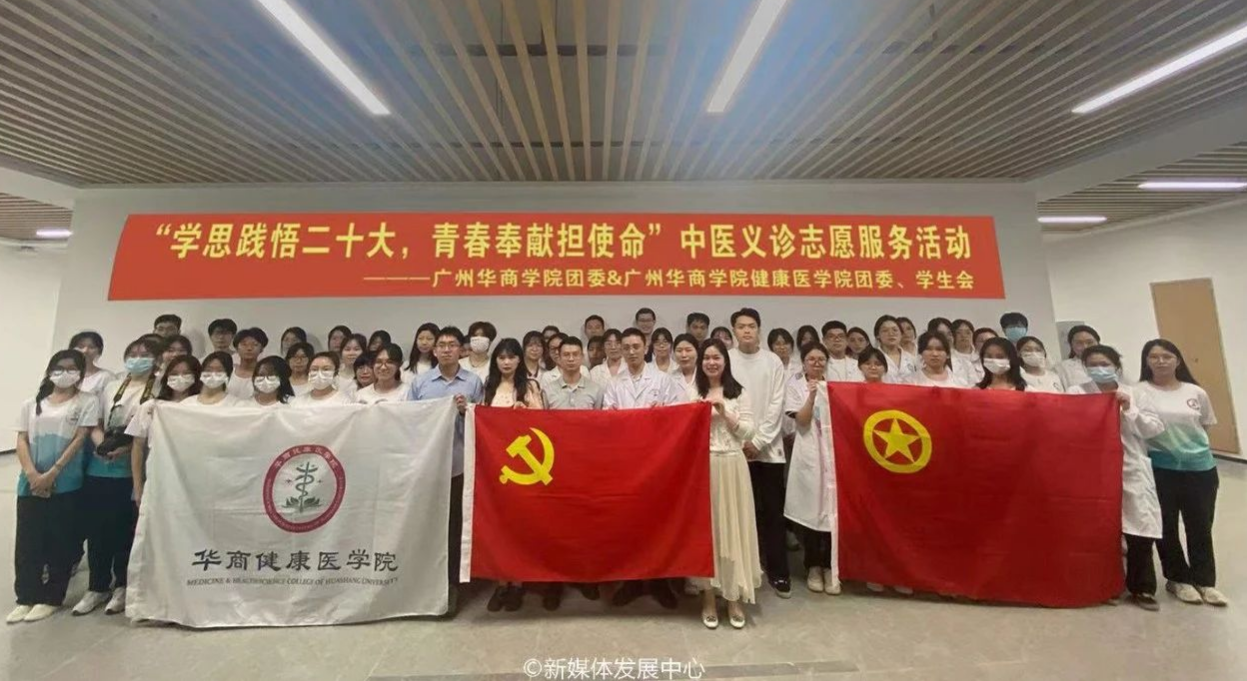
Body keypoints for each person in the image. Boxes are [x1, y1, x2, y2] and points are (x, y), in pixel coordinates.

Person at [1068, 345, 1165, 611]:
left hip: (1131, 466)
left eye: (1104, 364)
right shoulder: (1077, 392)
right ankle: (1105, 585)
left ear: (1116, 366)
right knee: (1101, 530)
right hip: (1093, 469)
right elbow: (1068, 426)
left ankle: (1142, 587)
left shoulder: (1135, 393)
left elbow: (1154, 429)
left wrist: (1129, 409)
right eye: (1092, 364)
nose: (1099, 369)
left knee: (1139, 528)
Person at [9, 350, 100, 624]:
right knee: (28, 542)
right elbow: (22, 439)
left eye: (72, 368)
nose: (65, 373)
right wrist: (32, 474)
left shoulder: (86, 401)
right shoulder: (31, 404)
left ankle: (51, 597)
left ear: (80, 373)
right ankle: (26, 596)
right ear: (50, 371)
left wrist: (53, 473)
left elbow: (80, 438)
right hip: (30, 483)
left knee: (59, 541)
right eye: (59, 368)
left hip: (65, 483)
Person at [74, 337, 160, 617]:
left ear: (157, 359)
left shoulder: (160, 388)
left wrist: (126, 449)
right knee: (98, 529)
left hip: (134, 468)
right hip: (100, 466)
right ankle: (96, 586)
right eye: (132, 353)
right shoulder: (112, 386)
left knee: (125, 530)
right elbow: (96, 422)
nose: (138, 358)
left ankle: (122, 585)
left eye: (145, 354)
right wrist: (102, 446)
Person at [1138, 339, 1226, 607]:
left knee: (1200, 526)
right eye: (1154, 356)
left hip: (1200, 469)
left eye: (1167, 356)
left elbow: (1204, 426)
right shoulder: (1139, 391)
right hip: (1160, 468)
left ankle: (1205, 581)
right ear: (1146, 361)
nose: (1161, 361)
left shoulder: (1195, 391)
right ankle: (1178, 579)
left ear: (1177, 360)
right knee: (1166, 526)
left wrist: (1188, 451)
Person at [603, 328, 685, 609]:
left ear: (646, 346)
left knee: (658, 522)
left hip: (658, 461)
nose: (631, 351)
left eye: (636, 346)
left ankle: (660, 581)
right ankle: (633, 581)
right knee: (630, 523)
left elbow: (679, 418)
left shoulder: (663, 380)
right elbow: (608, 420)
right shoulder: (615, 383)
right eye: (626, 347)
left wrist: (661, 416)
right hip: (626, 463)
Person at [409, 326, 484, 615]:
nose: (446, 349)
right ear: (434, 349)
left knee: (455, 527)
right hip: (429, 465)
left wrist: (467, 411)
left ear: (461, 350)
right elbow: (409, 421)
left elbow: (484, 421)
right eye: (441, 345)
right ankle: (427, 583)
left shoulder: (473, 382)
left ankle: (451, 585)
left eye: (452, 345)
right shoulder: (421, 383)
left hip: (459, 464)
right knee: (429, 525)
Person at [691, 338, 761, 630]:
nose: (711, 362)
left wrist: (724, 412)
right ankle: (708, 597)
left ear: (725, 361)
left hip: (733, 465)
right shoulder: (692, 391)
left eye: (716, 357)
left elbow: (748, 431)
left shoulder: (738, 392)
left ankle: (733, 597)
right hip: (703, 468)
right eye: (706, 357)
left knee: (734, 530)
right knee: (709, 532)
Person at [726, 308, 791, 599]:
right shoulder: (727, 359)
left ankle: (778, 571)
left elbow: (777, 404)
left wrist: (759, 441)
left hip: (769, 450)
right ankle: (745, 571)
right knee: (741, 513)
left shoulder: (772, 361)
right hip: (736, 448)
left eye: (751, 326)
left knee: (773, 513)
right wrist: (742, 440)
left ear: (759, 329)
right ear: (734, 330)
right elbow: (726, 402)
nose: (747, 331)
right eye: (741, 326)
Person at [539, 336, 605, 610]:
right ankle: (554, 582)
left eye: (575, 354)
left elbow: (602, 428)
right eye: (565, 354)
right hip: (555, 469)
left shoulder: (596, 389)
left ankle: (585, 577)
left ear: (582, 357)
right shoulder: (547, 390)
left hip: (586, 468)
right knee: (555, 527)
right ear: (558, 357)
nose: (570, 359)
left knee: (586, 525)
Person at [481, 338, 545, 613]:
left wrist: (525, 414)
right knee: (497, 525)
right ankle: (501, 583)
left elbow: (544, 424)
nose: (506, 362)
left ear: (520, 360)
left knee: (519, 525)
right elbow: (480, 420)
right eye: (501, 358)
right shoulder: (488, 387)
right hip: (494, 466)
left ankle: (518, 584)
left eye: (511, 357)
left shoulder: (530, 386)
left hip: (523, 467)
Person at [784, 342, 838, 596]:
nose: (817, 363)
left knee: (831, 512)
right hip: (808, 455)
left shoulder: (836, 386)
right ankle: (813, 565)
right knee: (810, 511)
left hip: (833, 455)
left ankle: (830, 566)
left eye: (821, 359)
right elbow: (803, 420)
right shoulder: (795, 386)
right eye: (811, 359)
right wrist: (813, 395)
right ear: (803, 363)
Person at [127, 355, 202, 507]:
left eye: (186, 373)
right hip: (159, 476)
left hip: (195, 479)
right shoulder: (151, 407)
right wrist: (138, 486)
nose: (180, 377)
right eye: (174, 373)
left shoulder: (203, 408)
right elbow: (138, 447)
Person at [903, 331, 968, 388]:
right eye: (929, 349)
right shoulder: (910, 382)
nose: (935, 354)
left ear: (948, 354)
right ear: (921, 353)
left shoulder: (960, 384)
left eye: (939, 349)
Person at [69, 331, 114, 396]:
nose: (85, 350)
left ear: (99, 351)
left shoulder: (105, 377)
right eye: (81, 346)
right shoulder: (63, 374)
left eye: (91, 347)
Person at [227, 328, 267, 401]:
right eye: (244, 344)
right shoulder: (228, 371)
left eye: (255, 344)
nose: (249, 348)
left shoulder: (266, 375)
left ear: (261, 349)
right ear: (236, 348)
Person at [1056, 324, 1100, 389]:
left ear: (1098, 343)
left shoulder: (1110, 364)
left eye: (1090, 342)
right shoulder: (1061, 368)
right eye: (1079, 343)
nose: (1085, 347)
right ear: (1071, 345)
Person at [875, 315, 917, 381]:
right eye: (885, 330)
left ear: (901, 334)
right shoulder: (872, 357)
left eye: (895, 330)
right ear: (877, 335)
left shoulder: (910, 358)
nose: (891, 334)